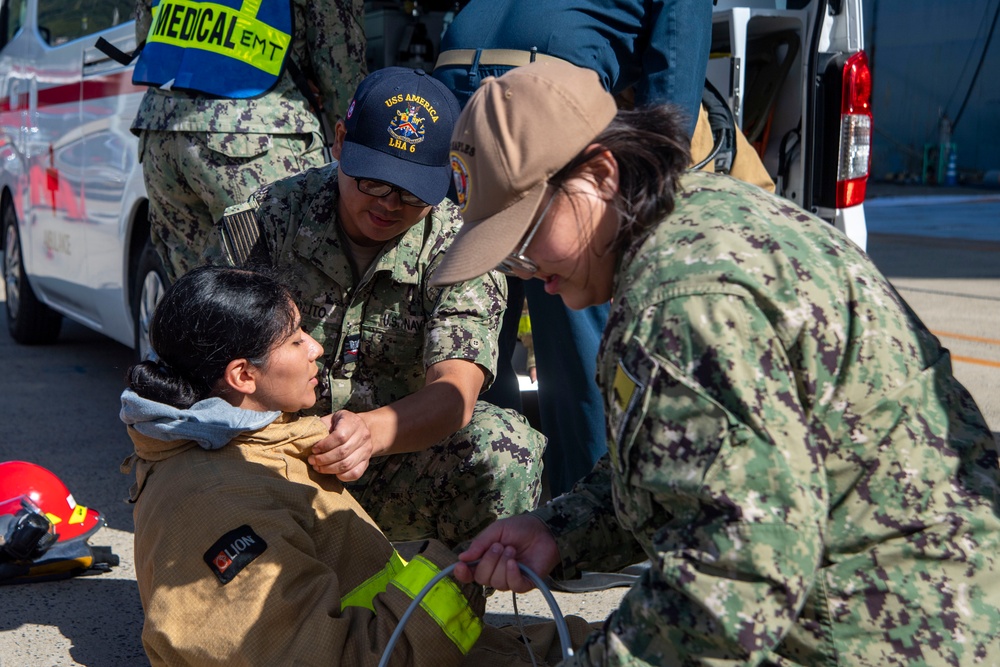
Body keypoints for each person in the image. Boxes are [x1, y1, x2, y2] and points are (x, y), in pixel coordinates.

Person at [432, 61, 1000, 665]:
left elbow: (732, 578)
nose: (529, 275)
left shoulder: (685, 303)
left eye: (525, 239)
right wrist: (560, 530)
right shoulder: (697, 214)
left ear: (599, 173)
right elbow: (692, 469)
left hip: (886, 632)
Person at [119, 265, 588, 666]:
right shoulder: (219, 503)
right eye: (296, 339)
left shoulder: (246, 445)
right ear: (243, 375)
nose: (316, 348)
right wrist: (452, 576)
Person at [217, 67, 544, 548]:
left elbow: (456, 390)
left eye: (414, 192)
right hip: (278, 460)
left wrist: (369, 433)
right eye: (374, 181)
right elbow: (213, 365)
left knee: (504, 447)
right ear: (341, 141)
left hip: (395, 459)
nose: (390, 204)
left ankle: (438, 610)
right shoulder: (270, 220)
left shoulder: (460, 246)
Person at [431, 0, 713, 496]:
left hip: (457, 85)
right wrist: (649, 189)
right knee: (573, 308)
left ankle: (490, 503)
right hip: (541, 94)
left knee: (473, 326)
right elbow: (674, 77)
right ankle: (580, 511)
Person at [130, 0, 366, 283]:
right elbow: (340, 62)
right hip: (251, 135)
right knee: (286, 293)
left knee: (197, 298)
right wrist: (366, 154)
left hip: (160, 132)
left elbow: (147, 34)